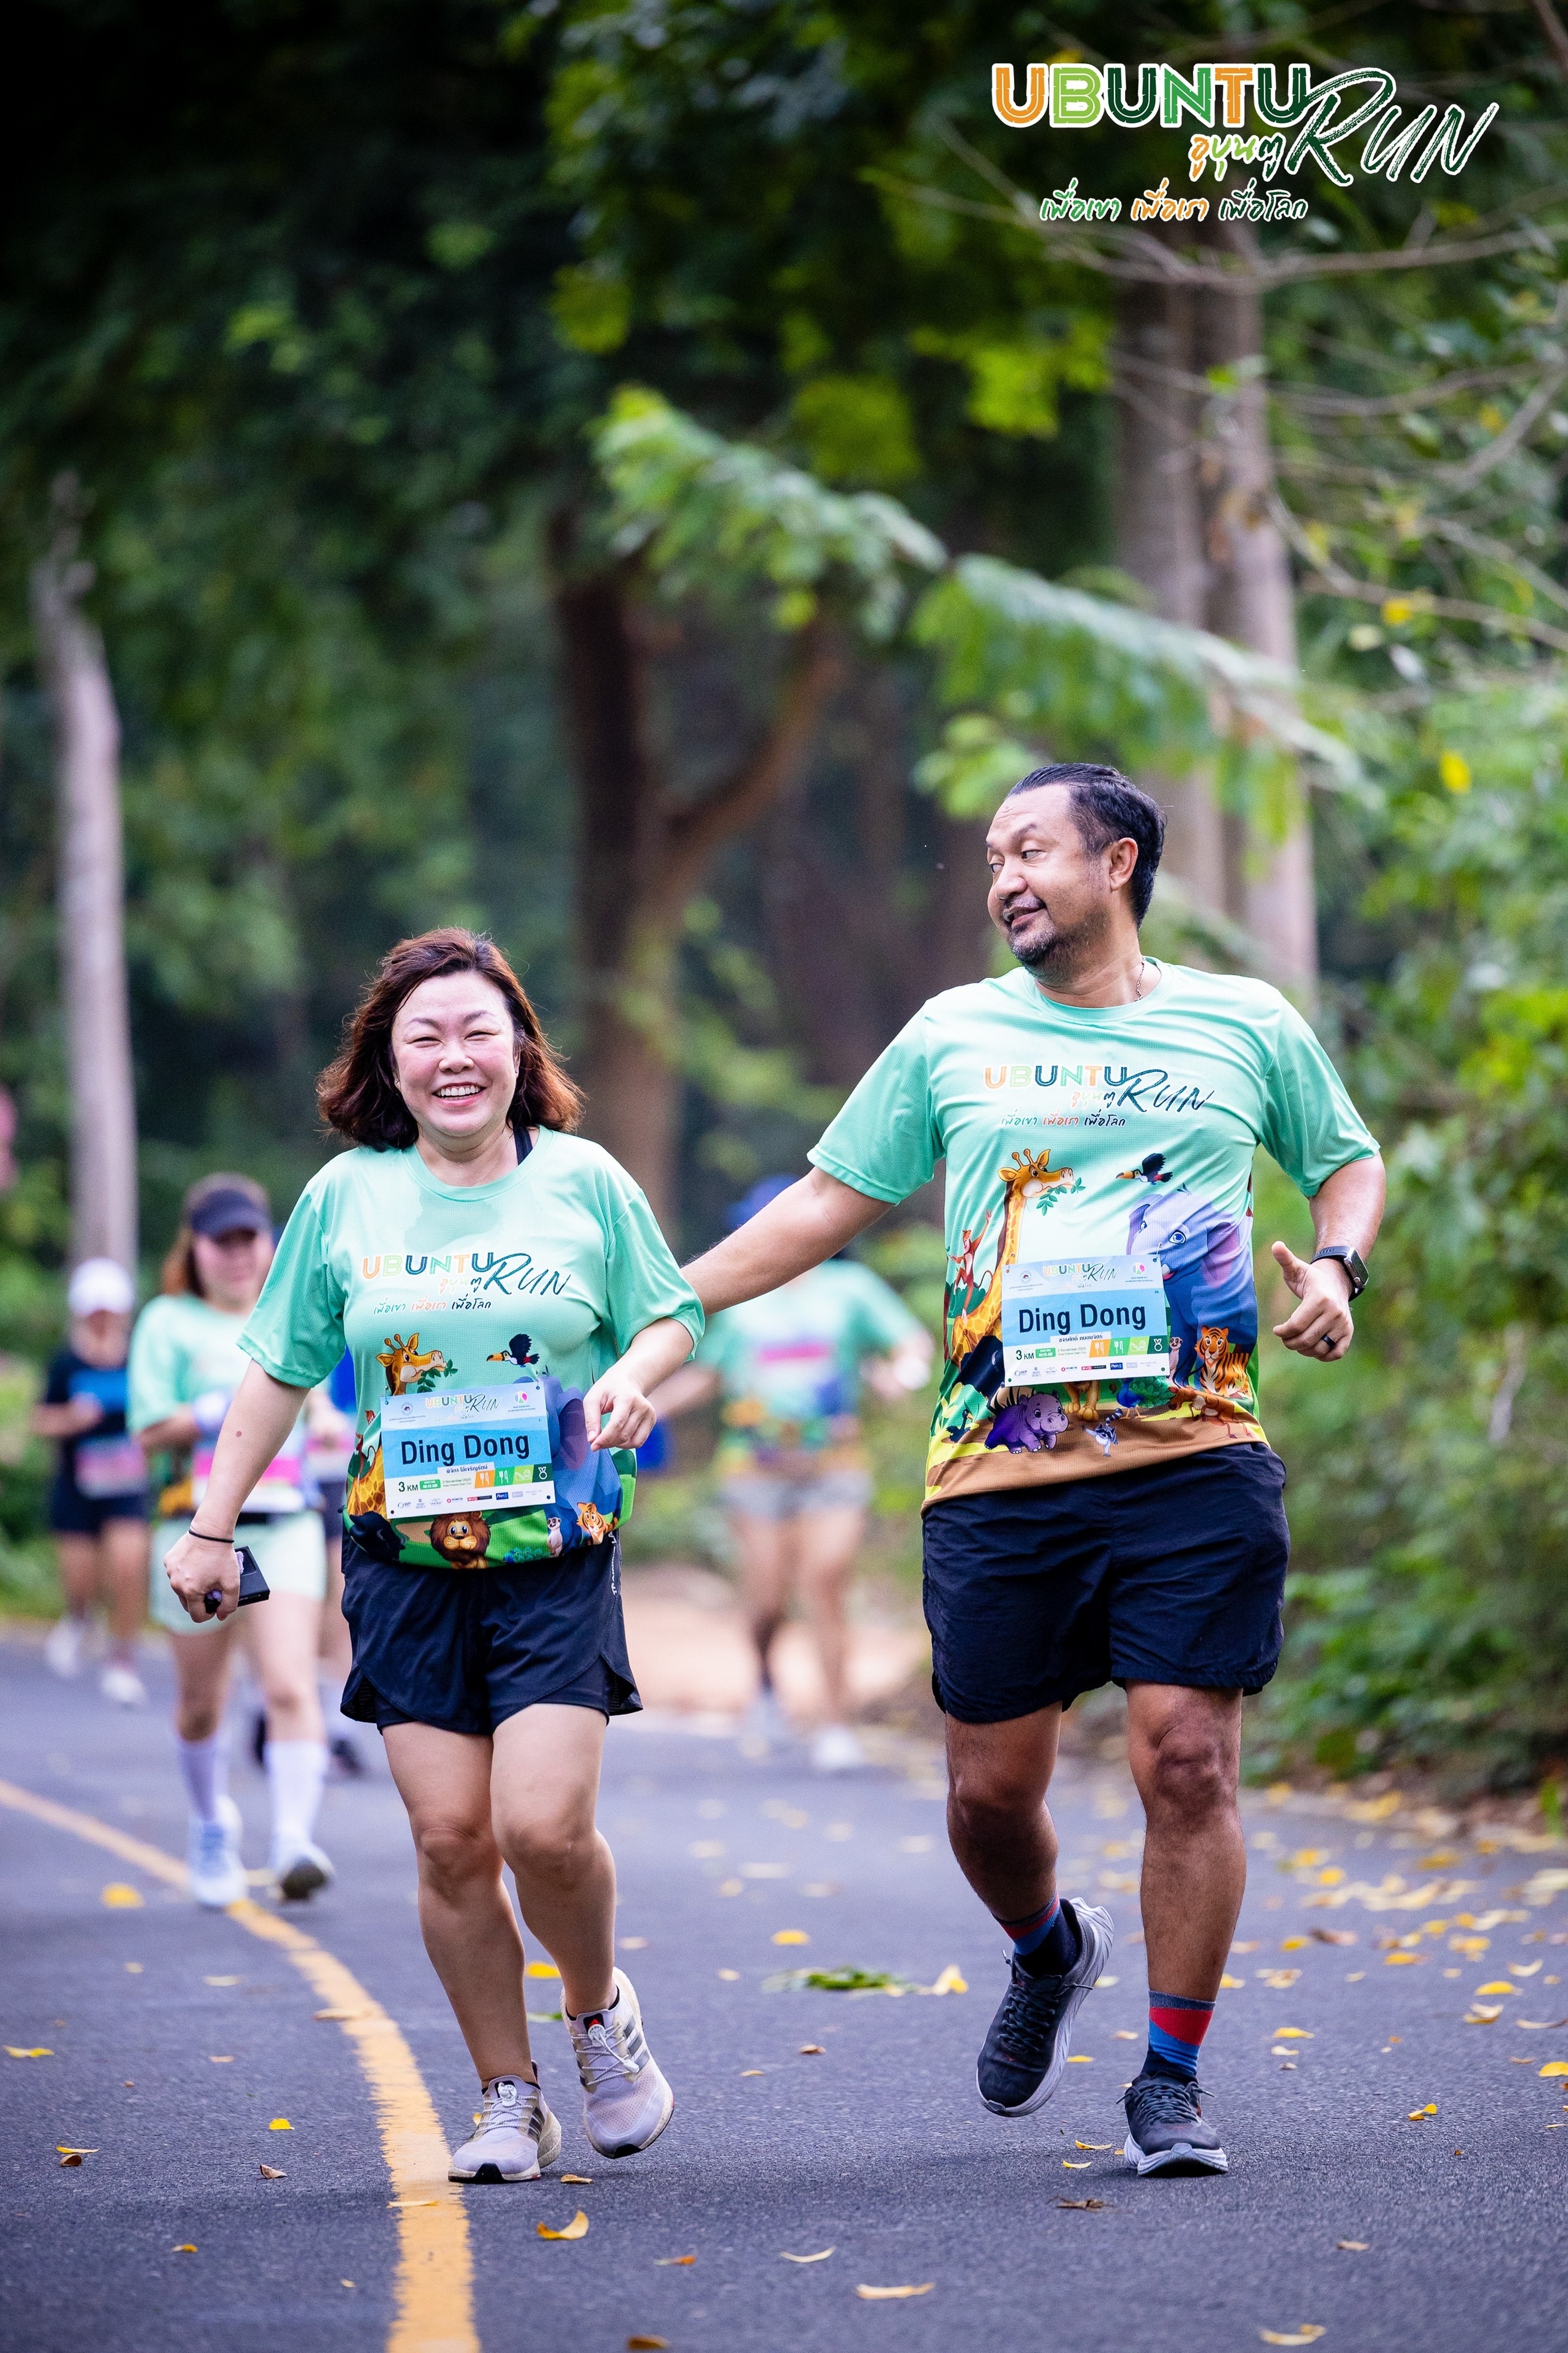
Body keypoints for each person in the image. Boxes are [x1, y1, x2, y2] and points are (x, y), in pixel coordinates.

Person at [682, 763, 1384, 2180]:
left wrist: (1337, 1266)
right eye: (993, 855)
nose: (1002, 875)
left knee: (1186, 1759)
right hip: (998, 1474)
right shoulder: (952, 1033)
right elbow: (822, 1202)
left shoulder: (1243, 1020)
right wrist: (665, 1300)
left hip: (1194, 1457)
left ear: (1115, 861)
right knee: (988, 1796)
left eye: (1030, 849)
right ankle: (1048, 1947)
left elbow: (1345, 1159)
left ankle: (1169, 2078)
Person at [160, 927, 702, 2185]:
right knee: (452, 1838)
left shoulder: (584, 1181)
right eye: (426, 1037)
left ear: (519, 1049)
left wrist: (634, 1373)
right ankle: (509, 2095)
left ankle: (596, 2011)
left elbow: (671, 1315)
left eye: (477, 1032)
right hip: (400, 1563)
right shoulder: (345, 1198)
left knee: (542, 1827)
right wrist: (209, 1523)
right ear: (388, 1063)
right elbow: (278, 1367)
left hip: (551, 1551)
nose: (455, 1057)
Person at [652, 1175, 930, 1772]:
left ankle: (835, 1722)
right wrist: (645, 1405)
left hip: (834, 1466)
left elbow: (908, 1344)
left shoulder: (849, 1289)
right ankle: (765, 1686)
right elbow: (710, 1374)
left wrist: (899, 1375)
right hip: (753, 1472)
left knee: (825, 1583)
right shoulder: (740, 1295)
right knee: (767, 1599)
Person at [129, 1174, 333, 1908]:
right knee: (200, 1703)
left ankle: (293, 1840)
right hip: (193, 1530)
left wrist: (332, 1426)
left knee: (288, 1683)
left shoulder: (291, 1311)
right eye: (223, 1241)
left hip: (286, 1523)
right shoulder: (167, 1321)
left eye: (250, 1238)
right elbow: (148, 1429)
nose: (240, 1254)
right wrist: (218, 1410)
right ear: (196, 1248)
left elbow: (320, 1408)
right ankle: (211, 1822)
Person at [34, 1258, 149, 1707]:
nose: (103, 1318)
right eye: (95, 1311)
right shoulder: (66, 1363)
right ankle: (80, 1617)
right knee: (80, 1578)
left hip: (127, 1485)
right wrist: (71, 1418)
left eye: (109, 1310)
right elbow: (41, 1419)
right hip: (77, 1485)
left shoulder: (139, 1358)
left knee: (127, 1567)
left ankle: (122, 1660)